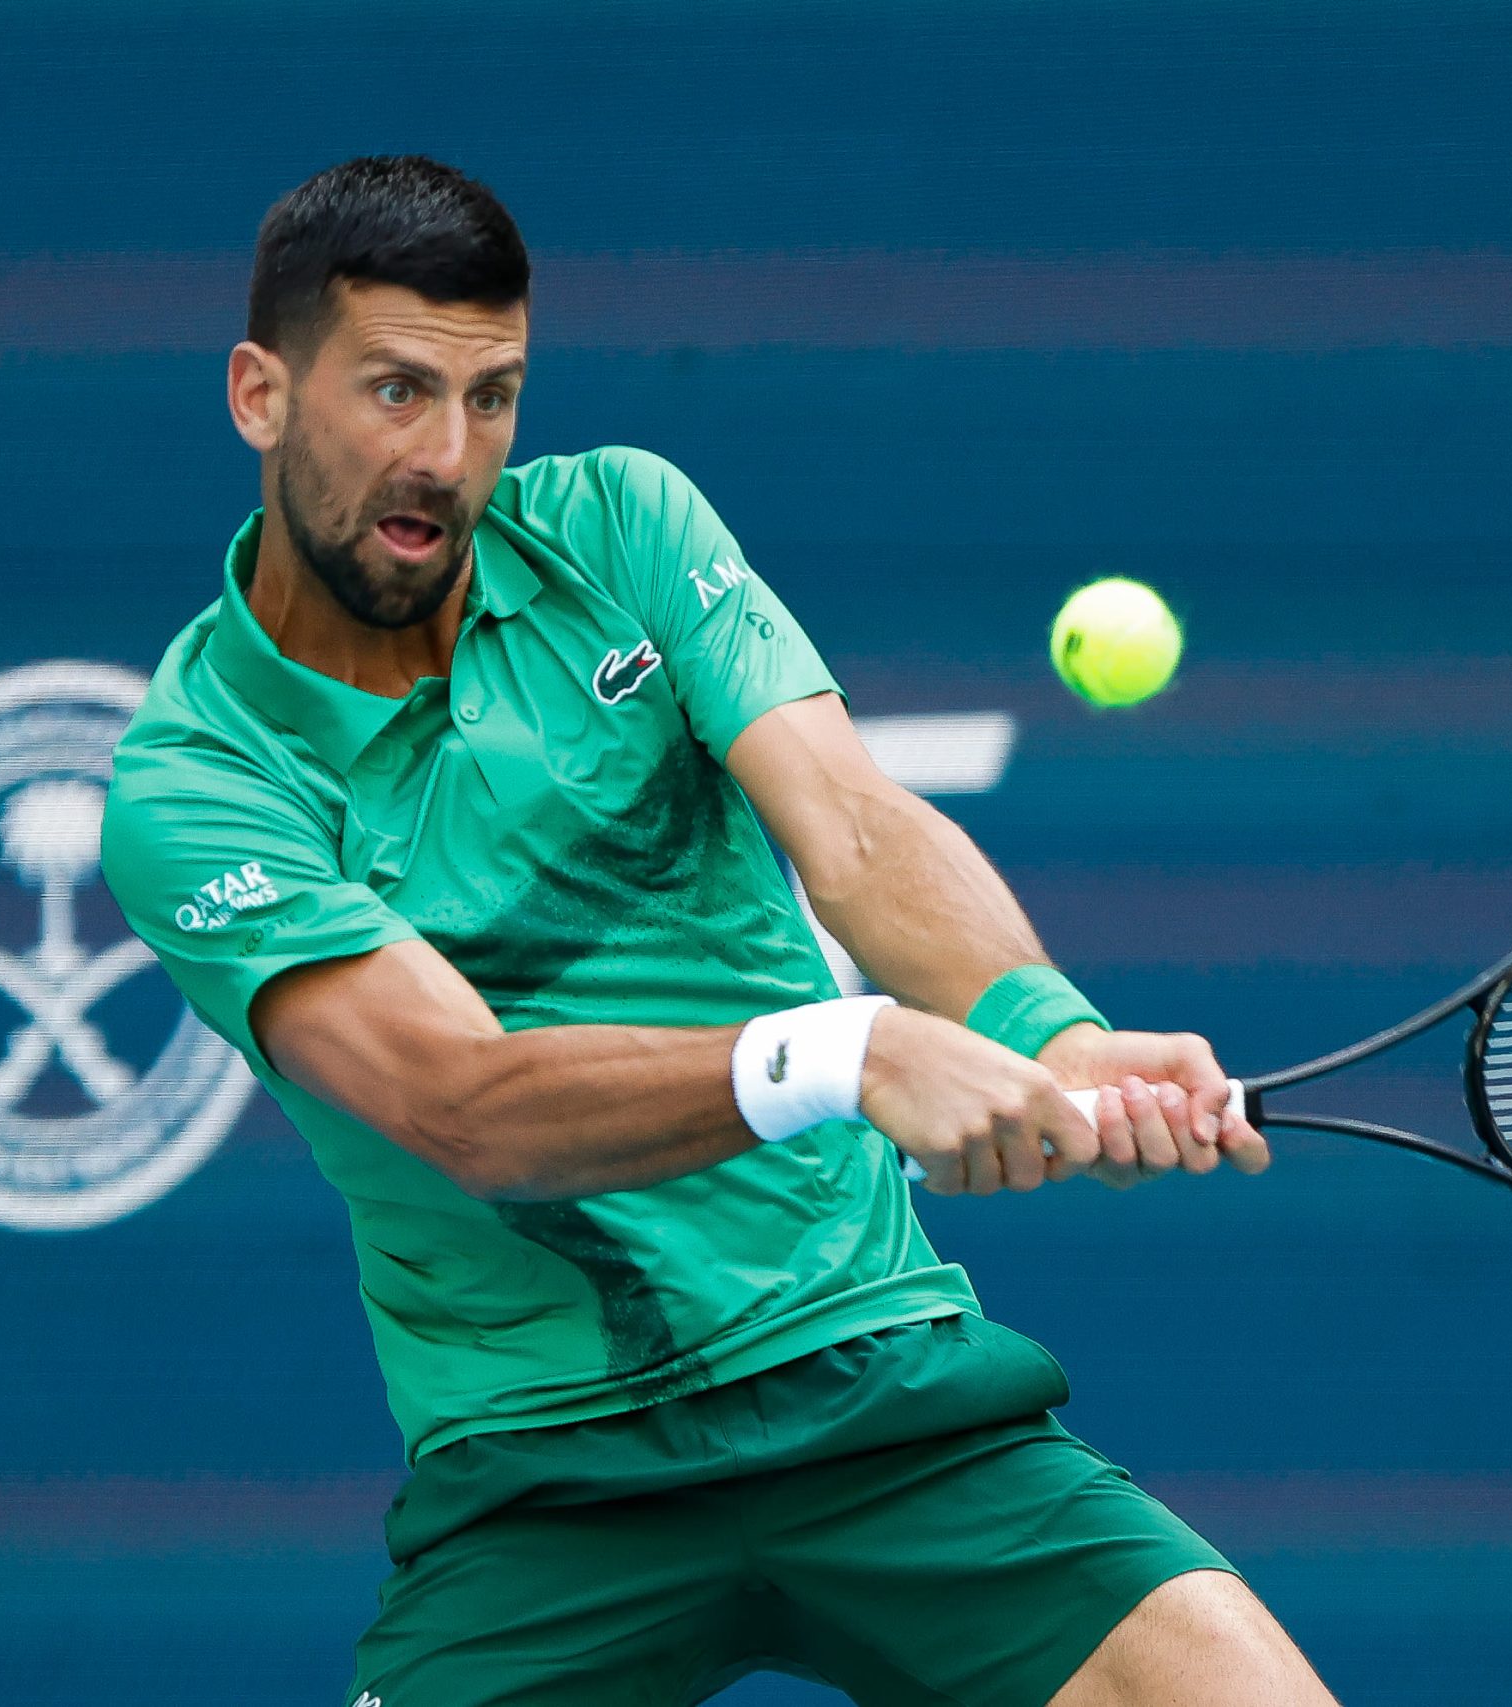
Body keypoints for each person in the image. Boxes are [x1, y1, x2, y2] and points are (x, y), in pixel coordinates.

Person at [102, 156, 1339, 1707]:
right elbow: (464, 1108)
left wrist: (1051, 1034)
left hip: (870, 1378)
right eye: (397, 392)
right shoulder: (197, 781)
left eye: (492, 399)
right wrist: (845, 1051)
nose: (447, 455)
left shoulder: (621, 526)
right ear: (260, 394)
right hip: (542, 1476)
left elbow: (858, 827)